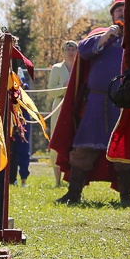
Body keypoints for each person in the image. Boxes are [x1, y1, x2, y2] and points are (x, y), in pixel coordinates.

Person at [52, 0, 130, 205]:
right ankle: (74, 194)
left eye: (126, 10)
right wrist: (107, 35)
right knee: (83, 148)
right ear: (112, 14)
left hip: (122, 104)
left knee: (123, 150)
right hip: (96, 103)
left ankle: (126, 197)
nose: (122, 13)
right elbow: (84, 50)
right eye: (118, 10)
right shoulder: (101, 35)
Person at [49, 40, 78, 187]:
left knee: (74, 141)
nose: (71, 52)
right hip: (59, 108)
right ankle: (57, 181)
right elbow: (50, 92)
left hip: (75, 108)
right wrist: (63, 87)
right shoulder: (56, 68)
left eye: (73, 49)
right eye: (68, 49)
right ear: (63, 52)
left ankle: (73, 178)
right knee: (57, 140)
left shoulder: (80, 67)